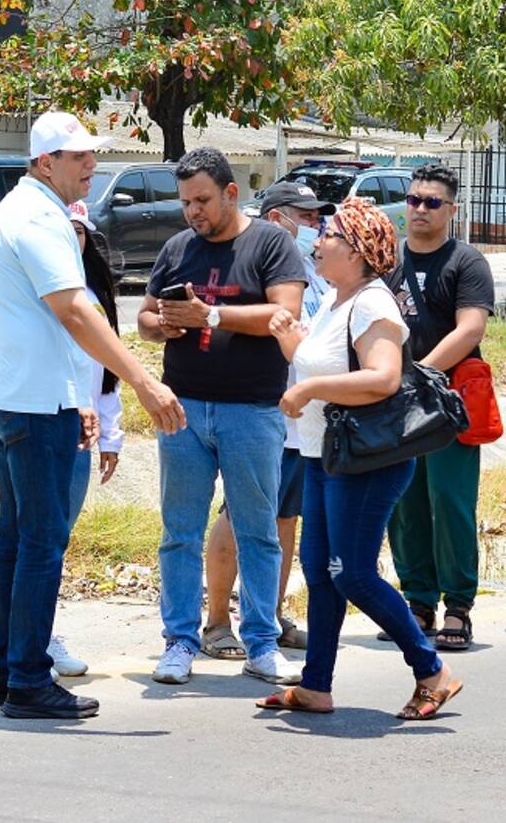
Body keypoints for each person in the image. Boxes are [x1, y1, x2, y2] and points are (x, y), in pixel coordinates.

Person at [0, 110, 185, 720]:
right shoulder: (38, 218)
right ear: (45, 162)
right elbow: (74, 311)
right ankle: (27, 682)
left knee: (15, 540)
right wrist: (142, 380)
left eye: (93, 155)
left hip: (21, 396)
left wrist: (82, 399)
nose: (92, 166)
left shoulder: (21, 211)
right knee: (39, 544)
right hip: (32, 404)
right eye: (80, 157)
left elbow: (47, 321)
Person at [255, 198, 463, 719]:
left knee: (352, 575)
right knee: (321, 573)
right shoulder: (334, 300)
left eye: (328, 234)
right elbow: (319, 364)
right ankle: (315, 686)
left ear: (355, 251)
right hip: (325, 455)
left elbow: (383, 377)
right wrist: (290, 344)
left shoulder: (373, 304)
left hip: (368, 462)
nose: (317, 241)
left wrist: (312, 389)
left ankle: (432, 670)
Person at [137, 147, 305, 686]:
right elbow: (142, 315)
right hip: (183, 410)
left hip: (252, 411)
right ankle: (181, 641)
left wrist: (211, 313)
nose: (193, 212)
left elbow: (285, 314)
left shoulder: (270, 243)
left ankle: (261, 642)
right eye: (185, 202)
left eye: (203, 200)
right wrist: (160, 325)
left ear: (231, 193)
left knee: (258, 531)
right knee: (179, 532)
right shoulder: (178, 248)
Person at [200, 183, 335, 660]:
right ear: (278, 219)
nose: (316, 226)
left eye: (319, 217)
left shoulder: (317, 275)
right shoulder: (260, 266)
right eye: (305, 216)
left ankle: (268, 617)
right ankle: (217, 621)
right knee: (238, 517)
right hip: (264, 413)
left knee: (283, 522)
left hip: (304, 424)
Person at [383, 163, 494, 651]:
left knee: (450, 503)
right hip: (393, 401)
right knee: (403, 504)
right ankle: (418, 603)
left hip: (448, 401)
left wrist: (420, 372)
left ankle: (458, 606)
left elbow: (469, 329)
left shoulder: (466, 262)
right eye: (413, 200)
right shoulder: (386, 262)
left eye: (431, 202)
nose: (420, 210)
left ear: (452, 209)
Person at [43, 201, 127, 679]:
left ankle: (40, 635)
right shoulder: (47, 289)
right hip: (49, 421)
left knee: (57, 537)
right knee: (40, 538)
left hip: (83, 430)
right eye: (64, 229)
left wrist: (111, 435)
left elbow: (106, 375)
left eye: (79, 231)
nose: (70, 239)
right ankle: (32, 641)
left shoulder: (94, 293)